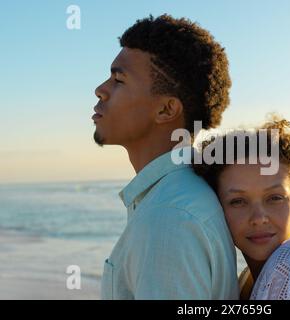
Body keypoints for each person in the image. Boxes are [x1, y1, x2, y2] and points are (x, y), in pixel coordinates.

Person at [92, 14, 239, 299]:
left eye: (118, 80)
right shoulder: (170, 200)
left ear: (166, 110)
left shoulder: (169, 217)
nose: (100, 90)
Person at [193, 116, 290, 300]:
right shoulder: (251, 275)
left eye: (275, 198)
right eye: (238, 201)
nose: (259, 217)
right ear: (216, 205)